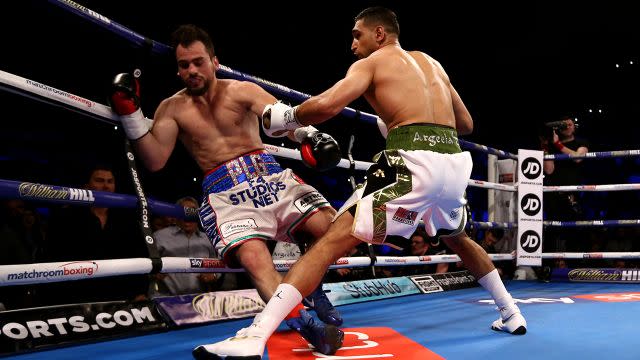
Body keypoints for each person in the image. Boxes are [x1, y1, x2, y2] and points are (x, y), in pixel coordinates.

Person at [196, 7, 527, 358]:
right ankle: (511, 312)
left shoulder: (371, 63)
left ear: (380, 34)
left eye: (358, 34)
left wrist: (289, 116)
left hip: (410, 159)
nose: (353, 43)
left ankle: (255, 336)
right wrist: (405, 116)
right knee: (456, 237)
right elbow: (465, 123)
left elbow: (327, 105)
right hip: (452, 161)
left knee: (329, 243)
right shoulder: (432, 64)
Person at [109, 24, 344, 353]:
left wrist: (310, 136)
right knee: (254, 258)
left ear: (214, 61)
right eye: (184, 65)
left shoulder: (242, 91)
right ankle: (304, 322)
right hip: (225, 192)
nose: (192, 70)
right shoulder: (171, 108)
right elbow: (155, 160)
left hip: (269, 176)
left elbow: (282, 118)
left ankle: (310, 287)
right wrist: (131, 114)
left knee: (332, 229)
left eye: (198, 61)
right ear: (177, 69)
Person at [40, 164, 149, 305]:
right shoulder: (66, 217)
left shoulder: (126, 218)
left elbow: (138, 255)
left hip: (121, 296)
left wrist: (140, 291)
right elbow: (54, 258)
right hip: (77, 298)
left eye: (110, 181)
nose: (106, 186)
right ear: (86, 186)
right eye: (99, 180)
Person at [150, 196, 219, 297]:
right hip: (166, 298)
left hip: (201, 300)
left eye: (192, 211)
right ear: (176, 215)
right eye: (184, 211)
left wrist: (214, 275)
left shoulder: (208, 239)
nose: (188, 216)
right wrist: (153, 273)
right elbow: (146, 264)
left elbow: (218, 263)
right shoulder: (159, 236)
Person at [540, 116, 589, 252]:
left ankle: (575, 268)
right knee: (552, 231)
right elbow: (549, 170)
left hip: (573, 194)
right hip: (555, 194)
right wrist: (545, 146)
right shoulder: (552, 145)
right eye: (564, 125)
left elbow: (578, 158)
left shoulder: (581, 142)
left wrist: (558, 145)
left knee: (574, 232)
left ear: (574, 127)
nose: (567, 127)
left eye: (570, 124)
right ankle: (549, 268)